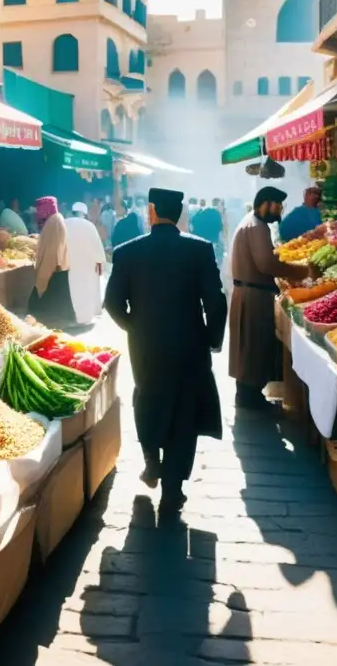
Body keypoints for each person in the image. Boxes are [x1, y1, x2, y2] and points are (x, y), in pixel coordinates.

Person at [104, 187, 227, 514]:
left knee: (147, 397)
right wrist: (213, 339)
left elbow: (113, 303)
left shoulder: (128, 252)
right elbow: (216, 301)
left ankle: (151, 460)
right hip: (189, 344)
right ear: (181, 214)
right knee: (184, 411)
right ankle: (173, 489)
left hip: (146, 346)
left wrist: (136, 327)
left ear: (152, 211)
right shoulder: (200, 250)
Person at [229, 186, 313, 411]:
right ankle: (250, 398)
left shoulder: (252, 222)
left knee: (250, 347)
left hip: (249, 292)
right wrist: (303, 272)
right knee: (253, 347)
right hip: (253, 295)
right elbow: (267, 264)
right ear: (265, 203)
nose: (280, 210)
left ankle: (249, 395)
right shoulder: (257, 227)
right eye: (277, 205)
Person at [27, 197, 76, 327]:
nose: (38, 212)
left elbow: (52, 251)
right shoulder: (55, 219)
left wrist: (43, 274)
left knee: (46, 310)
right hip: (58, 268)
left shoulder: (53, 222)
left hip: (53, 269)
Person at [66, 202, 106, 326]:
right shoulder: (89, 226)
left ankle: (72, 317)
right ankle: (85, 317)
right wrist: (100, 262)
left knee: (72, 290)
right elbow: (98, 248)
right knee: (86, 290)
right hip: (87, 266)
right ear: (84, 213)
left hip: (69, 264)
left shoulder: (64, 223)